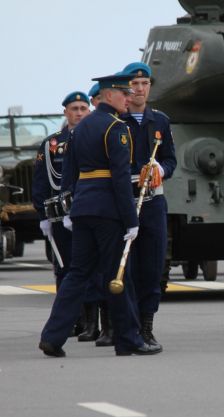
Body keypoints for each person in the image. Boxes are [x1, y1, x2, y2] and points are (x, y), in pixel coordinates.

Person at [39, 73, 162, 357]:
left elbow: (69, 173)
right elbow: (120, 178)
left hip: (83, 208)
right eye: (124, 93)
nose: (129, 97)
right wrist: (131, 220)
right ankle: (128, 339)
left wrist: (70, 207)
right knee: (119, 276)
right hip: (108, 212)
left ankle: (52, 336)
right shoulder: (116, 128)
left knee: (77, 274)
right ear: (109, 96)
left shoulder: (80, 128)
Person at [32, 91, 104, 342]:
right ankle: (74, 320)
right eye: (74, 108)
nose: (79, 113)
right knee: (64, 268)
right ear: (66, 112)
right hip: (59, 215)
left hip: (87, 211)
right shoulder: (52, 144)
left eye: (84, 108)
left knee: (92, 269)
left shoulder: (97, 139)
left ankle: (92, 323)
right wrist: (42, 214)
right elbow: (41, 179)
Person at [120, 62, 177, 346]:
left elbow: (171, 160)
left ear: (149, 87)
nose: (139, 89)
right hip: (124, 201)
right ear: (125, 89)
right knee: (125, 266)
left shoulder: (161, 121)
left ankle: (146, 325)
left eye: (144, 84)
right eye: (134, 84)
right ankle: (123, 326)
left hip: (153, 202)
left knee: (152, 266)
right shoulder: (117, 122)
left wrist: (160, 170)